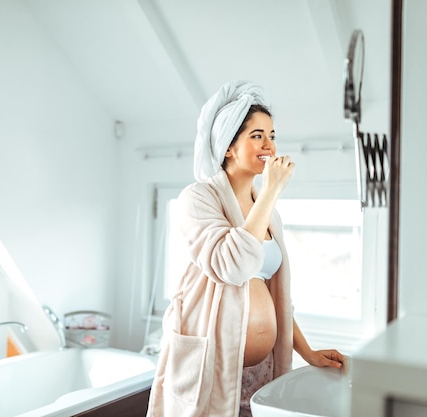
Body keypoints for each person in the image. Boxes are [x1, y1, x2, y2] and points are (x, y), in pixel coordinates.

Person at [145, 80, 344, 417]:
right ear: (227, 147)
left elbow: (276, 296)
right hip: (212, 364)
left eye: (272, 136)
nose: (269, 145)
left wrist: (307, 352)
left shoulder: (266, 210)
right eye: (257, 136)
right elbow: (231, 266)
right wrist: (271, 192)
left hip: (262, 373)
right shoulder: (198, 198)